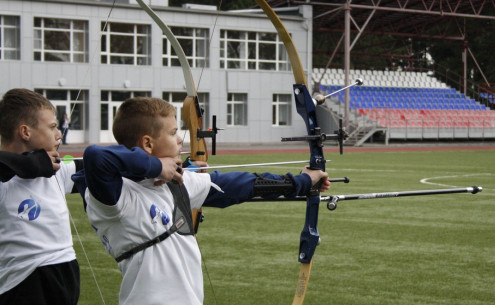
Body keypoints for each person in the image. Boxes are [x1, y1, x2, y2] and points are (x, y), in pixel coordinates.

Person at [71, 97, 330, 305]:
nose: (180, 139)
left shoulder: (174, 183)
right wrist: (156, 167)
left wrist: (302, 182)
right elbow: (96, 156)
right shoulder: (113, 198)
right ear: (148, 144)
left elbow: (240, 185)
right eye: (173, 133)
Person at [0, 88, 82, 305]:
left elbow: (101, 164)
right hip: (24, 285)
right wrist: (31, 163)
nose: (59, 134)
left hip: (65, 277)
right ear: (25, 132)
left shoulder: (56, 171)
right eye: (53, 127)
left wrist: (155, 164)